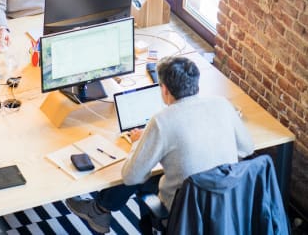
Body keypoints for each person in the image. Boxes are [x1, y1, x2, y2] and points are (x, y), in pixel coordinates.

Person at [66, 56, 254, 234]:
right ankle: (99, 209)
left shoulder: (162, 121)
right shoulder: (222, 104)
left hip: (182, 215)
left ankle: (99, 210)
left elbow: (131, 177)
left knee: (141, 176)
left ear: (164, 89)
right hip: (226, 208)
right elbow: (247, 149)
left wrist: (138, 142)